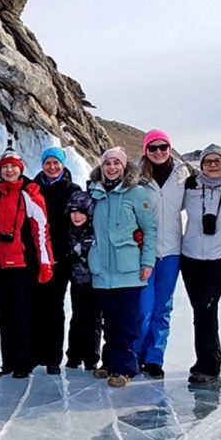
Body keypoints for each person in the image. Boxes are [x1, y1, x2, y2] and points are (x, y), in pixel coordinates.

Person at [87, 147, 157, 388]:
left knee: (127, 322)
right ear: (102, 167)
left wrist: (147, 261)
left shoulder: (135, 193)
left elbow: (149, 230)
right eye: (108, 163)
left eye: (117, 163)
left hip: (128, 269)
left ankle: (125, 367)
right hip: (103, 270)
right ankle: (109, 362)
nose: (112, 168)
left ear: (124, 167)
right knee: (110, 321)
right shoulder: (94, 193)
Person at [0, 146, 54, 379]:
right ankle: (9, 361)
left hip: (21, 266)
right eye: (4, 167)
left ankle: (25, 361)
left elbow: (41, 230)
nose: (8, 170)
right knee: (4, 314)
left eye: (13, 167)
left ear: (20, 169)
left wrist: (46, 262)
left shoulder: (29, 193)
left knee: (22, 313)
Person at [180, 144, 221, 386]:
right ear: (201, 165)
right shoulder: (191, 188)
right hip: (191, 258)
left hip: (220, 258)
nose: (213, 164)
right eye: (208, 161)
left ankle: (209, 366)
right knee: (200, 310)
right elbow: (166, 207)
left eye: (218, 161)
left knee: (206, 307)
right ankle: (205, 361)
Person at [135, 129, 189, 379]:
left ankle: (155, 358)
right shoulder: (135, 176)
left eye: (163, 147)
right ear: (146, 150)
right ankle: (135, 356)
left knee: (162, 308)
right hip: (143, 251)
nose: (158, 152)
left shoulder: (183, 175)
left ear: (170, 148)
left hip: (171, 251)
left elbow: (206, 198)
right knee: (142, 308)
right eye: (153, 148)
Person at [31, 147, 81, 374]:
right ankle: (37, 353)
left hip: (61, 257)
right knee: (38, 305)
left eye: (56, 163)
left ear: (63, 164)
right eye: (47, 163)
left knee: (55, 306)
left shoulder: (72, 190)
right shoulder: (33, 189)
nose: (51, 167)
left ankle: (53, 356)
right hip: (37, 256)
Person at [65, 190, 102, 371]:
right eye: (73, 212)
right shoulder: (68, 232)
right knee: (78, 317)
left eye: (81, 212)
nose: (77, 216)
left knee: (93, 319)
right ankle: (74, 355)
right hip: (77, 283)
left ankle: (91, 357)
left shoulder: (96, 231)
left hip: (95, 282)